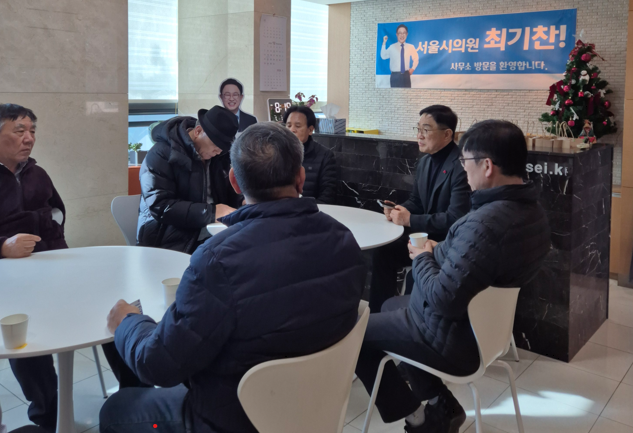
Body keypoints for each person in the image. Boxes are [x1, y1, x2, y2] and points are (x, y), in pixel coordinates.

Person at [99, 122, 366, 433]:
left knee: (116, 409)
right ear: (301, 177)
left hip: (232, 418)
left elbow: (160, 365)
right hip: (316, 407)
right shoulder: (344, 240)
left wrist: (129, 323)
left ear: (235, 182)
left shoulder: (217, 260)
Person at [355, 120, 551, 433]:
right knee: (392, 305)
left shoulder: (484, 224)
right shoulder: (533, 213)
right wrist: (441, 249)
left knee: (354, 334)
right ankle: (440, 403)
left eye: (466, 161)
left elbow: (443, 300)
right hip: (489, 331)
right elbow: (477, 260)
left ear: (487, 166)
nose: (463, 169)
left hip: (453, 338)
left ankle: (418, 419)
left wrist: (422, 257)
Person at [0, 104, 145, 432]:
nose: (29, 138)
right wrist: (4, 246)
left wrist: (49, 239)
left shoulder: (37, 174)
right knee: (28, 342)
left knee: (112, 307)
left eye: (32, 131)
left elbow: (57, 213)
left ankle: (135, 400)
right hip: (10, 284)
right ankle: (47, 419)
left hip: (53, 268)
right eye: (19, 131)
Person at [369, 105, 471, 311]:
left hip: (444, 243)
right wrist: (398, 210)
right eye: (418, 129)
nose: (419, 135)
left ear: (447, 134)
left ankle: (410, 316)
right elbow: (416, 201)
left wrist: (409, 220)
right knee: (383, 252)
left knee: (413, 267)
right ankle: (378, 314)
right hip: (421, 237)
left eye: (426, 130)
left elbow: (455, 218)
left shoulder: (461, 166)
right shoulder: (424, 162)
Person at [137, 105, 242, 253]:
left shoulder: (218, 157)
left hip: (212, 235)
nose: (218, 151)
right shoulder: (160, 155)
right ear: (198, 131)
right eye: (216, 145)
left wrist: (243, 201)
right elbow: (160, 206)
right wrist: (212, 212)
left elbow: (227, 192)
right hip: (169, 239)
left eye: (223, 148)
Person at [282, 105, 337, 204]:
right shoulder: (277, 153)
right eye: (289, 125)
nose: (292, 130)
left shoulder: (325, 156)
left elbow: (327, 197)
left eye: (298, 126)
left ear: (310, 130)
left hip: (310, 211)